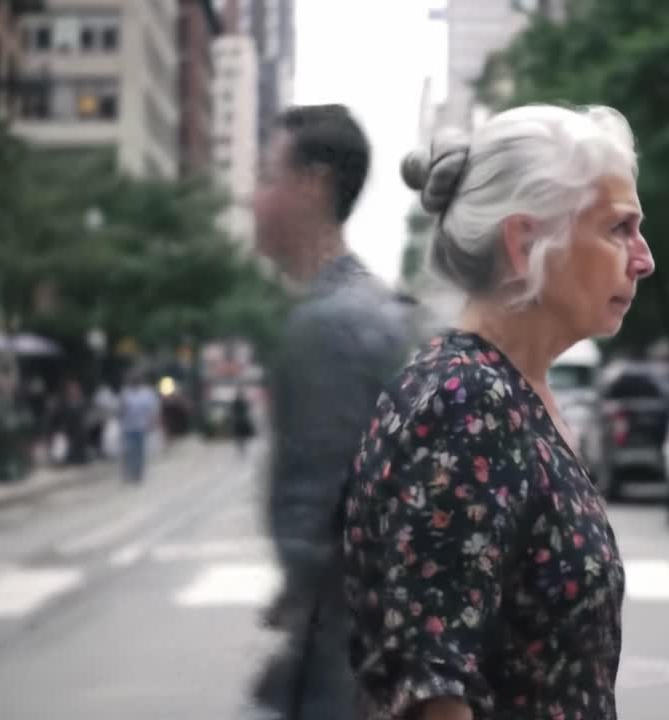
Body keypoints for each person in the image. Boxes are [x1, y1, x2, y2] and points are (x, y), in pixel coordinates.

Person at [341, 103, 653, 720]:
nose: (643, 258)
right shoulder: (464, 402)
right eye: (619, 228)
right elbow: (433, 693)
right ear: (524, 241)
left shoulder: (514, 393)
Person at [250, 104, 420, 720]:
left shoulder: (330, 325)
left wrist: (302, 594)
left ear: (312, 185)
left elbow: (324, 528)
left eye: (267, 176)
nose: (253, 198)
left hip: (340, 670)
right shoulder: (371, 307)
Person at [118, 371, 160, 484]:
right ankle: (129, 473)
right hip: (128, 427)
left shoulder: (147, 393)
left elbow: (153, 409)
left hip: (142, 427)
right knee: (129, 451)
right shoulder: (125, 393)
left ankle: (138, 474)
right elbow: (121, 409)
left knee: (140, 452)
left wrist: (152, 423)